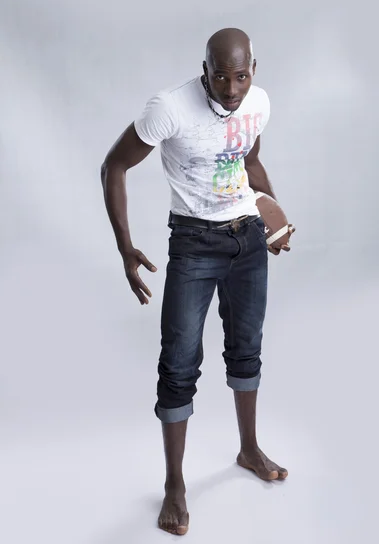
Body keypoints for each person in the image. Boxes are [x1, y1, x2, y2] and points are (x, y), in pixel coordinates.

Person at [101, 27, 295, 536]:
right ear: (203, 68)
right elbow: (114, 166)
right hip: (193, 244)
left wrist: (275, 217)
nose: (231, 89)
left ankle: (248, 449)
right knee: (179, 364)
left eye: (241, 75)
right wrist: (124, 247)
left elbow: (249, 162)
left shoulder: (259, 103)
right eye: (220, 76)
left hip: (248, 242)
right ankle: (174, 486)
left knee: (247, 350)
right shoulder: (169, 108)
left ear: (255, 69)